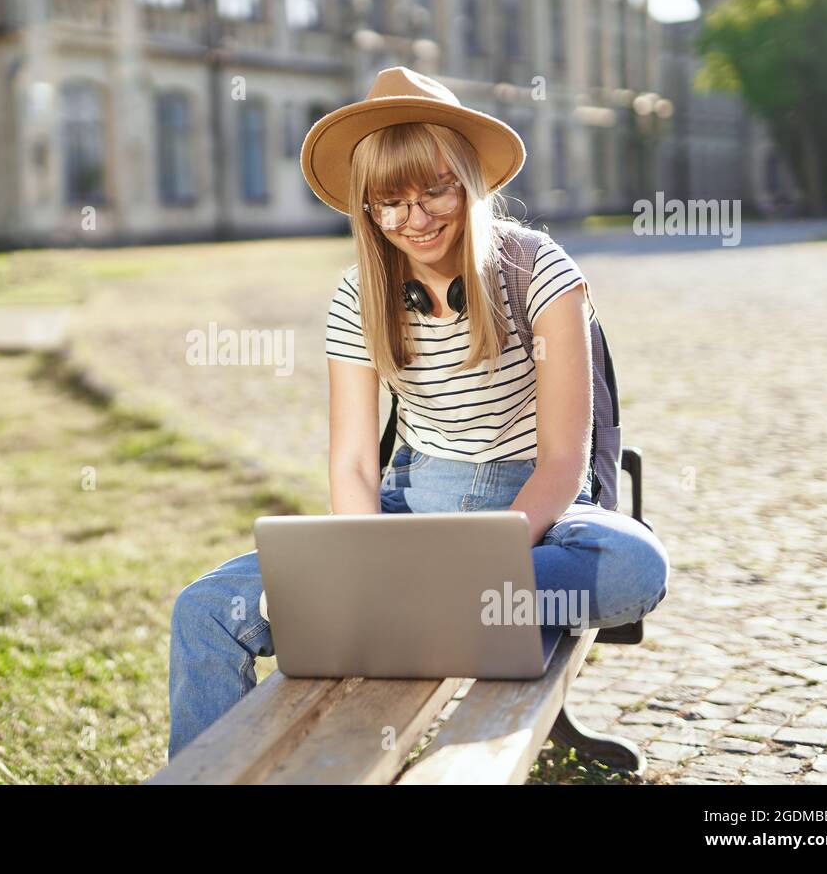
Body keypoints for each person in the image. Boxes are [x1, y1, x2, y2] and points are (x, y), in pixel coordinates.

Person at [167, 66, 669, 760]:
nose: (416, 218)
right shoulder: (359, 296)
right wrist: (368, 565)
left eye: (435, 190)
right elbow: (349, 461)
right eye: (389, 202)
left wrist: (484, 562)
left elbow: (562, 458)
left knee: (635, 568)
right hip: (413, 509)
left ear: (469, 181)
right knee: (203, 611)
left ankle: (438, 609)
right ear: (367, 210)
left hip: (539, 515)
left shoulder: (538, 271)